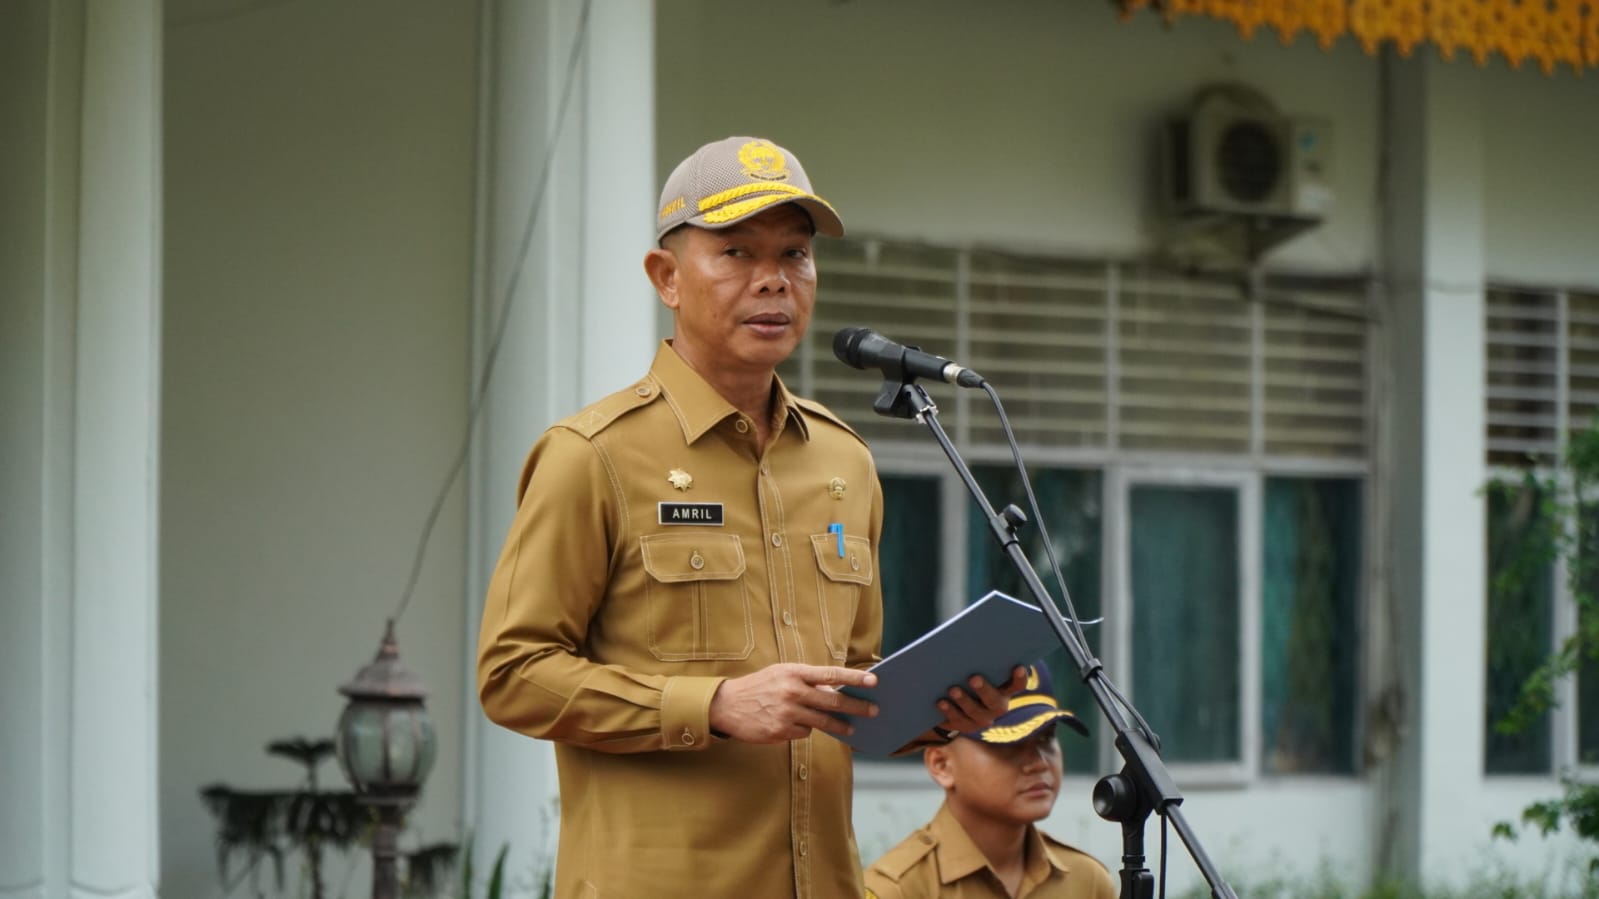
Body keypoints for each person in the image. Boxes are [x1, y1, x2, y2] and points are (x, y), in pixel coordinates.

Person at [477, 135, 1022, 899]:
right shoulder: (590, 455)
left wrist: (942, 710)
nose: (773, 281)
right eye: (735, 252)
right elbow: (512, 674)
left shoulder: (843, 462)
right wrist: (716, 704)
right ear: (665, 277)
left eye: (794, 254)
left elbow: (849, 689)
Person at [864, 663, 1118, 899]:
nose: (1039, 762)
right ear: (941, 764)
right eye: (1010, 743)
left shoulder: (1087, 882)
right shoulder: (896, 889)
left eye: (1047, 737)